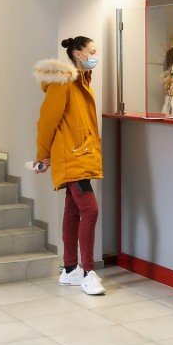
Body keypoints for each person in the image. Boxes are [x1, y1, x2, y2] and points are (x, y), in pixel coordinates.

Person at [35, 36, 105, 296]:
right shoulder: (62, 82)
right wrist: (42, 155)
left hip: (80, 154)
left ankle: (69, 269)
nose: (95, 56)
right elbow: (46, 121)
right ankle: (88, 273)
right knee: (90, 209)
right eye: (91, 52)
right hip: (71, 156)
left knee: (74, 210)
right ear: (77, 53)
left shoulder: (82, 81)